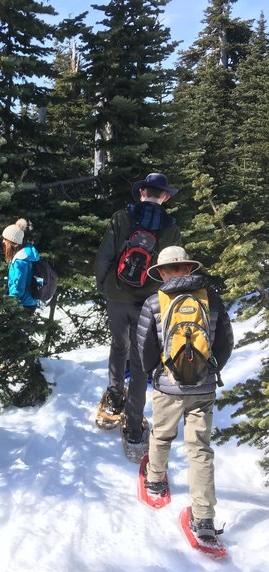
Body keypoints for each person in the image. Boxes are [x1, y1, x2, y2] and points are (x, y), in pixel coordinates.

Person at [137, 246, 234, 540]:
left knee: (162, 434)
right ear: (189, 268)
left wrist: (157, 373)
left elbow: (144, 349)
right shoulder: (211, 300)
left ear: (163, 271)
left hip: (167, 387)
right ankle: (203, 518)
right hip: (203, 389)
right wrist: (209, 369)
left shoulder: (155, 302)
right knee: (200, 449)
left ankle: (155, 482)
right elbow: (225, 343)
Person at [94, 173, 181, 441]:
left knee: (119, 347)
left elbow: (105, 256)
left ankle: (114, 400)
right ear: (165, 196)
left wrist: (104, 285)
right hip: (148, 301)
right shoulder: (170, 226)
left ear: (142, 192)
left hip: (117, 296)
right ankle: (133, 426)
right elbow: (173, 270)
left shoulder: (122, 217)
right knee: (142, 361)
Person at [2, 218, 39, 314]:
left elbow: (18, 286)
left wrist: (10, 302)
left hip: (23, 304)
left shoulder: (20, 260)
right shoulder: (24, 255)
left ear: (13, 243)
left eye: (5, 239)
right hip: (29, 302)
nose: (3, 241)